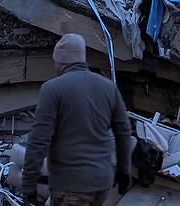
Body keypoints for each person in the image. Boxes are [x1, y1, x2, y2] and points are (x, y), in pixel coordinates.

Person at [22, 34, 131, 205]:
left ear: (59, 61)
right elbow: (123, 131)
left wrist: (28, 184)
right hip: (102, 184)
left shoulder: (52, 89)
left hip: (70, 186)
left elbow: (39, 140)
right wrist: (124, 171)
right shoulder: (108, 87)